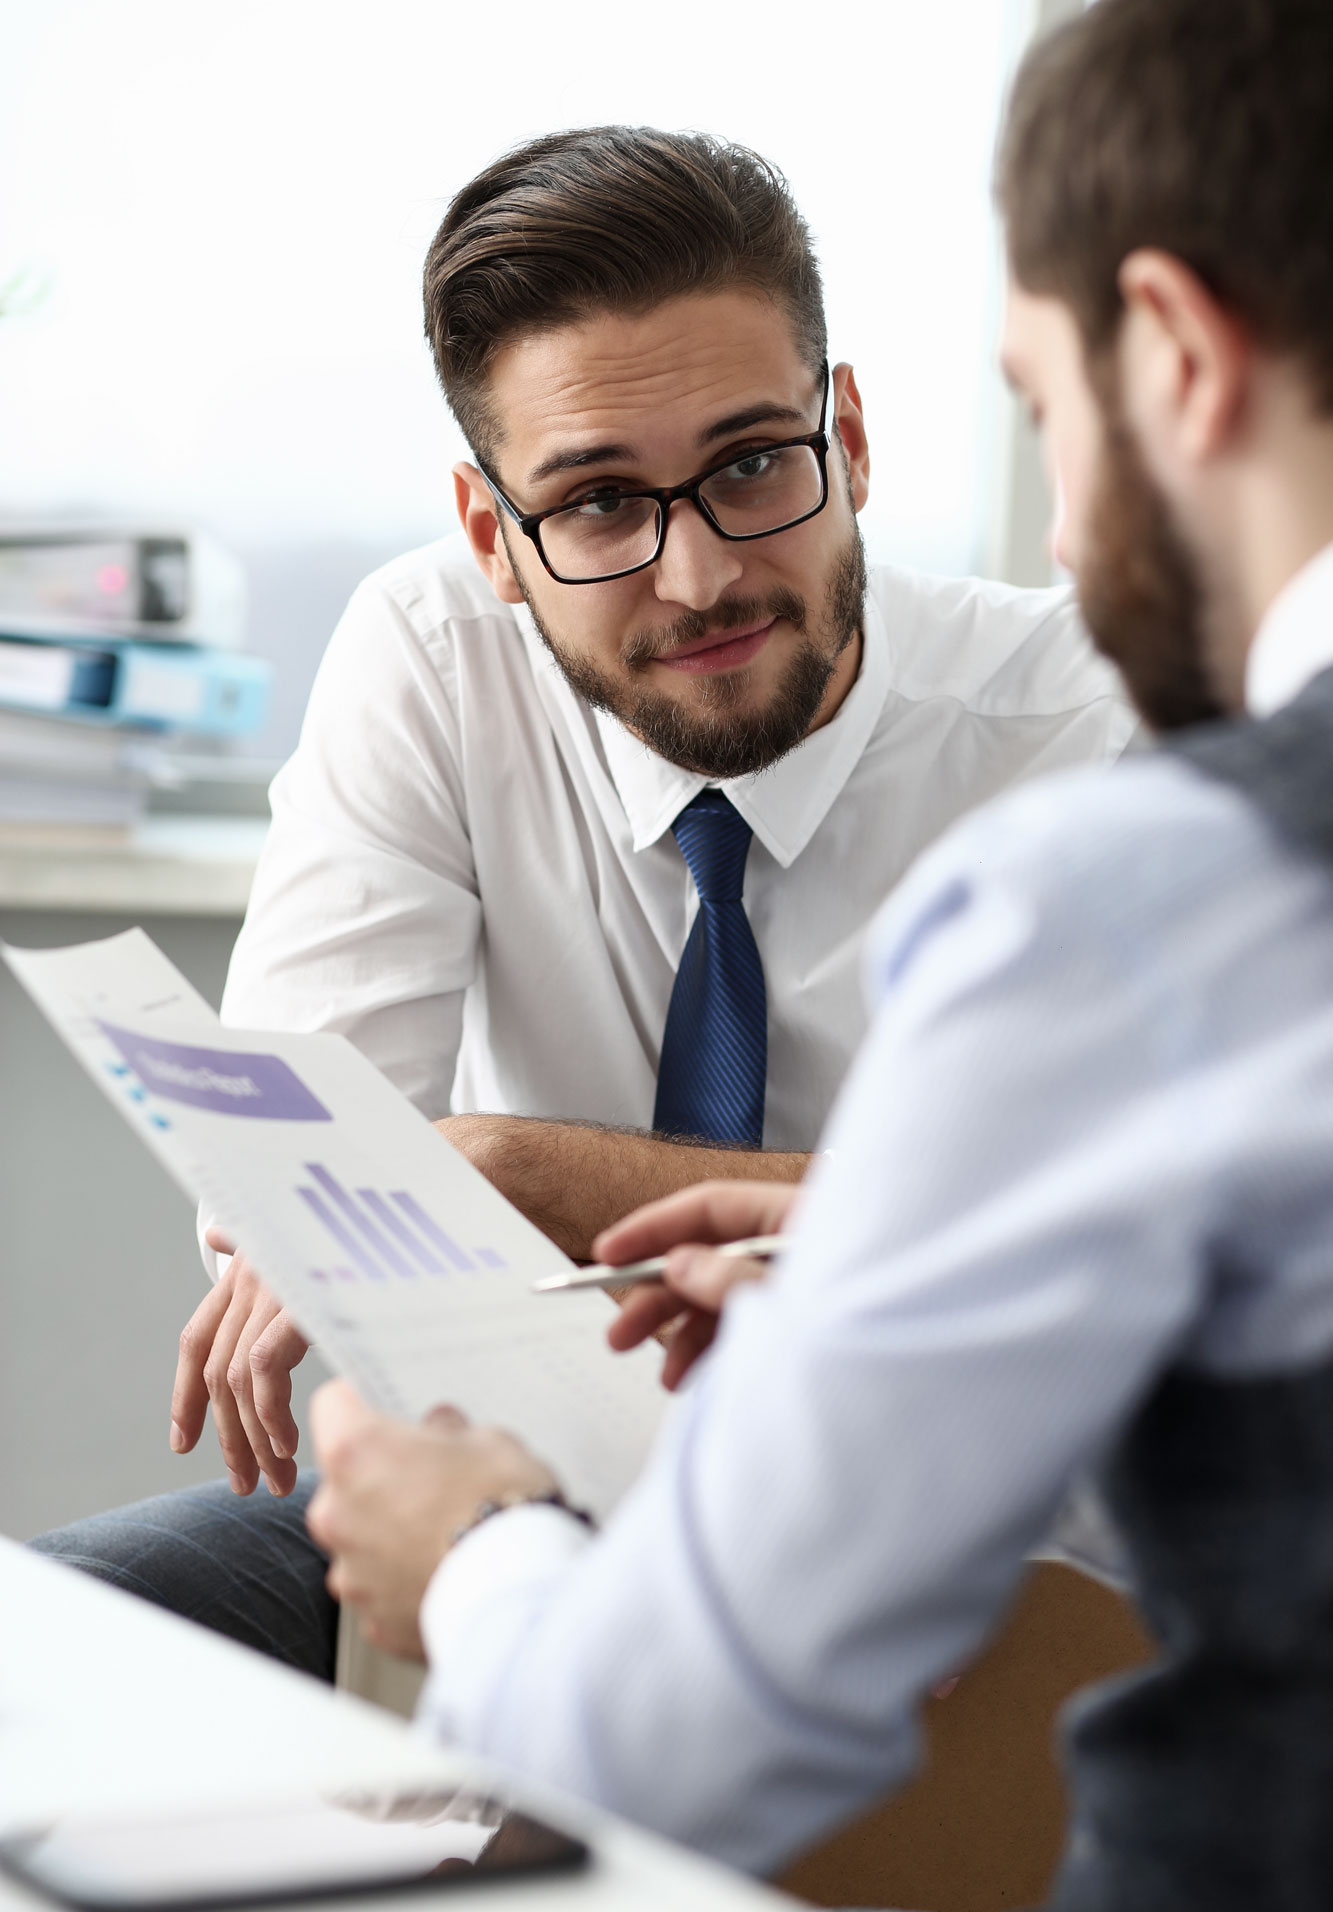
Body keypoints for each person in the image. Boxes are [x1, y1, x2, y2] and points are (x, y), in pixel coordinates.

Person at [303, 2, 1333, 1912]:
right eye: (598, 504)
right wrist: (889, 1229)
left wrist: (477, 1547)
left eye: (1040, 396)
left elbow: (666, 1742)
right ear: (495, 537)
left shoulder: (1152, 887)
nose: (1051, 522)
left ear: (1176, 355)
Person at [34, 127, 1131, 1672]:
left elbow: (1109, 1240)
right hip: (526, 1503)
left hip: (967, 1552)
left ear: (854, 441)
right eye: (600, 505)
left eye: (754, 464)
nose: (696, 580)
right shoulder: (429, 656)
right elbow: (293, 1193)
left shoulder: (1095, 727)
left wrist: (512, 1169)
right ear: (494, 539)